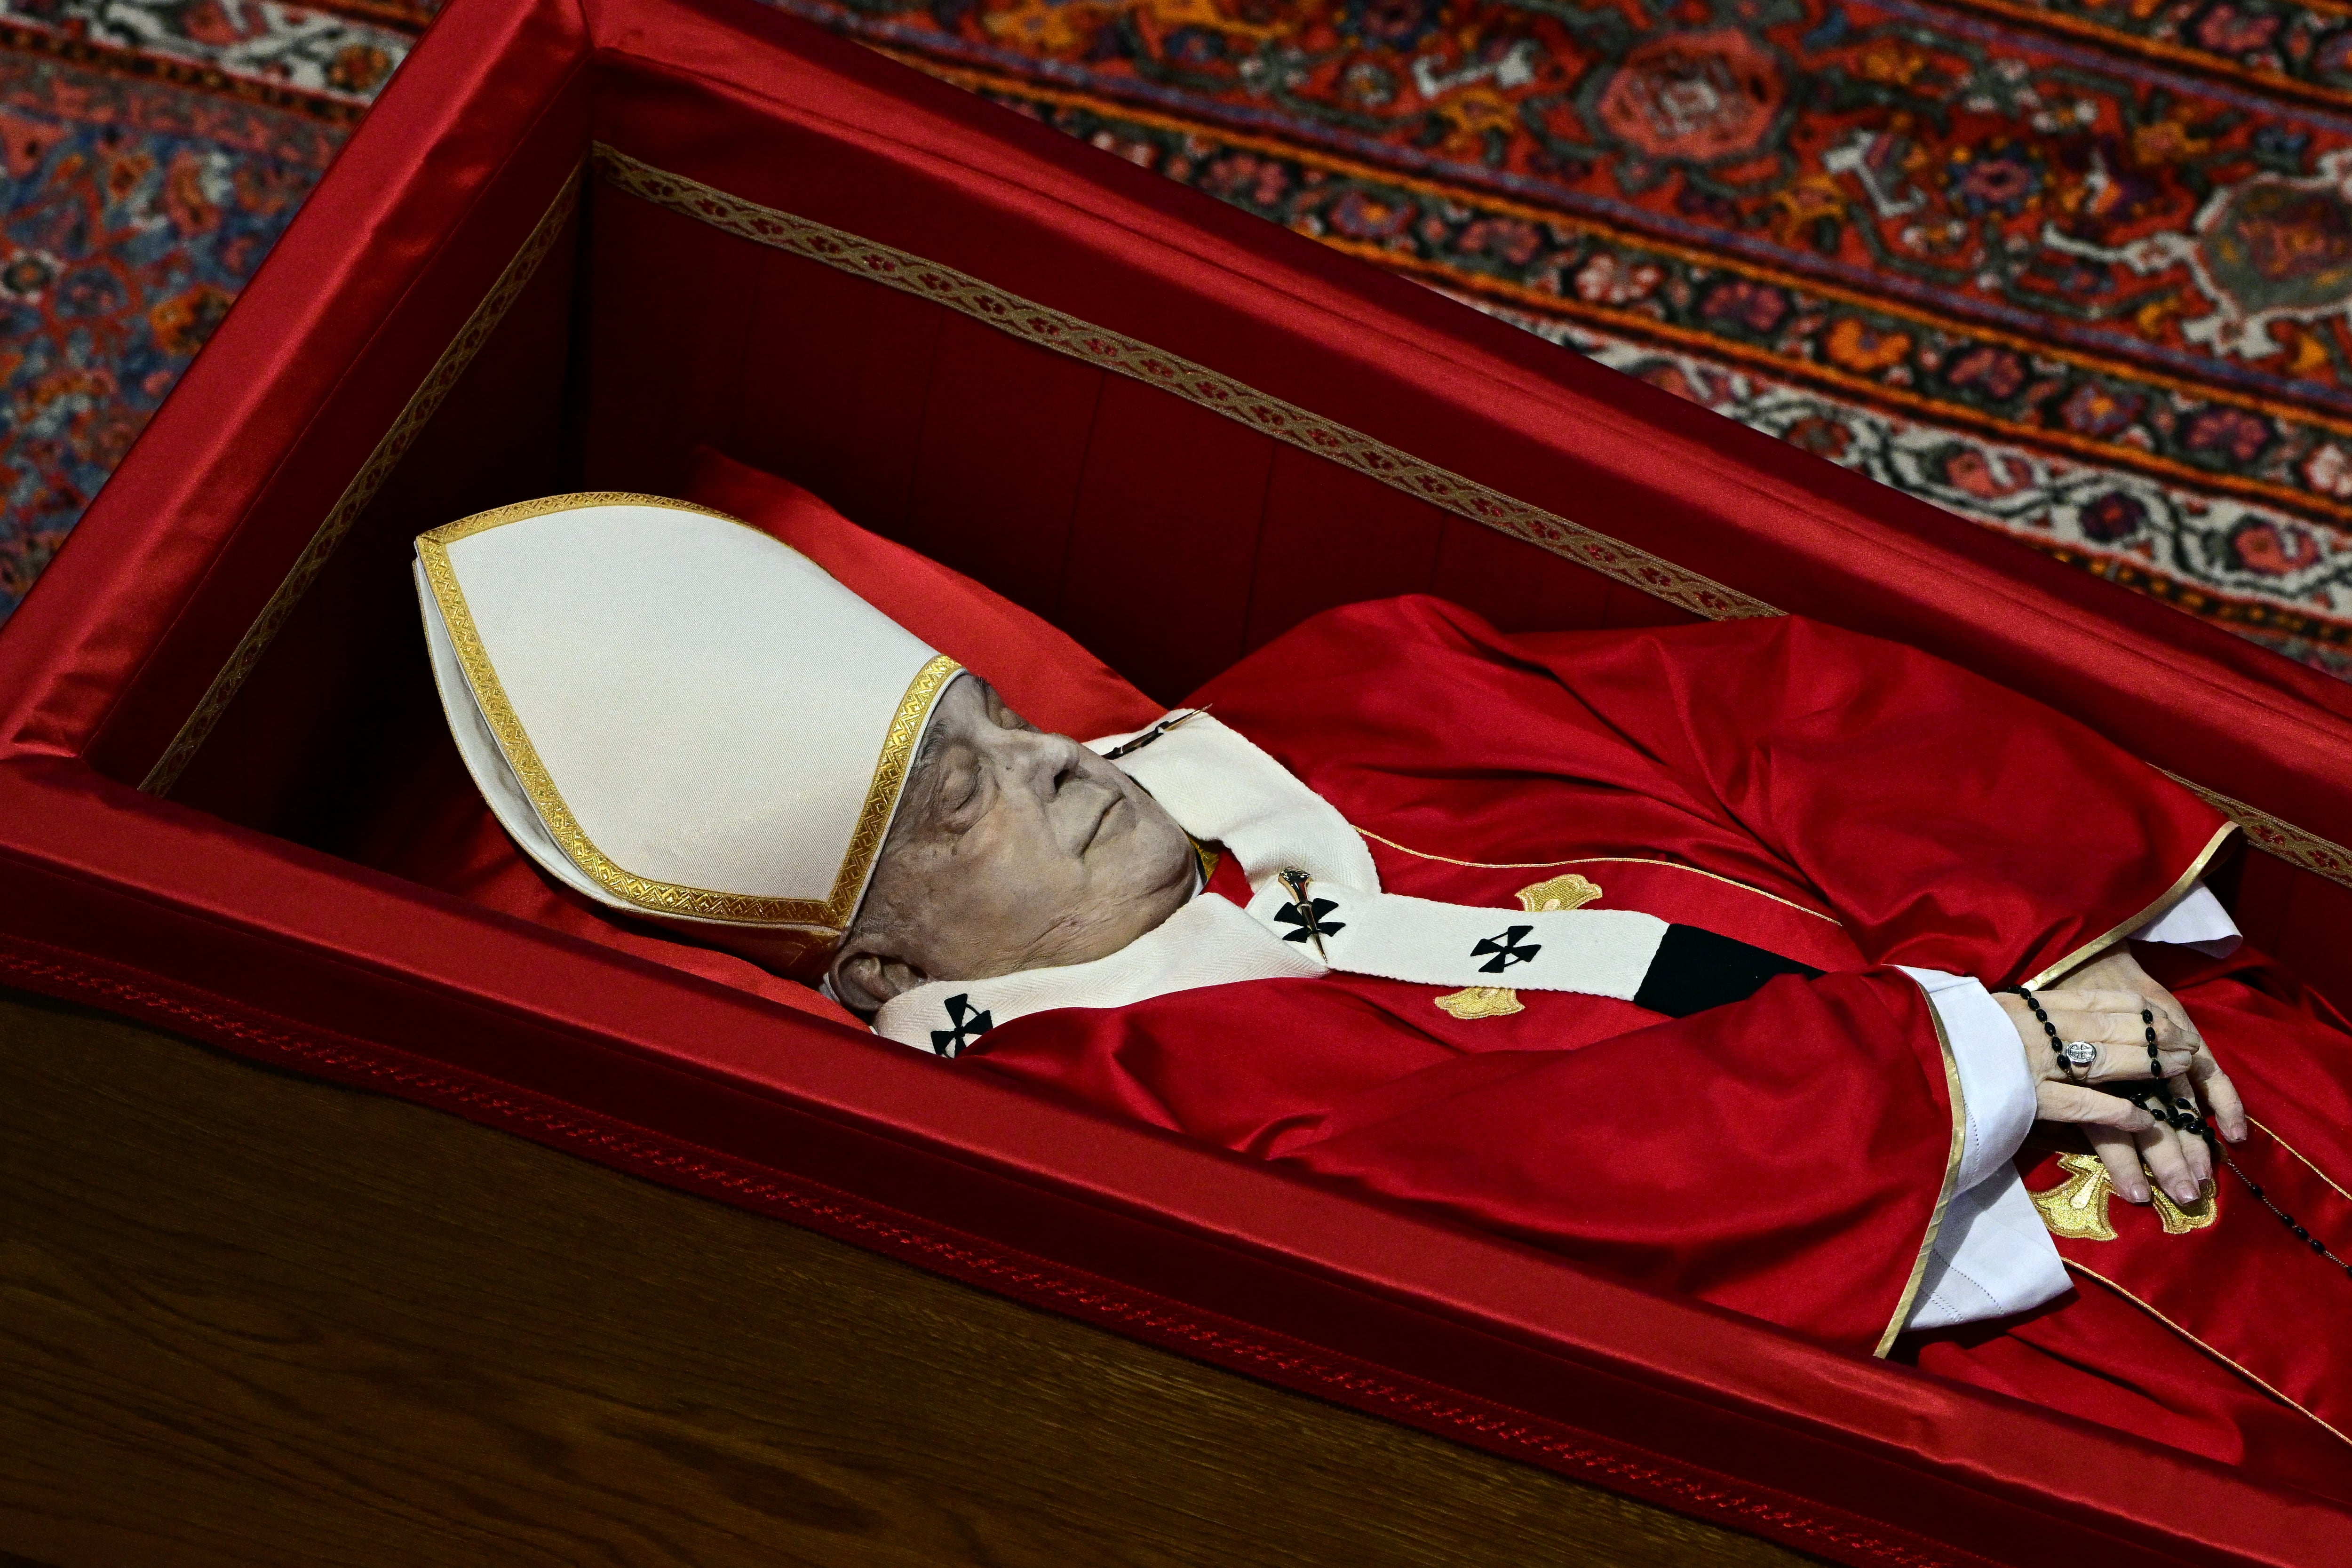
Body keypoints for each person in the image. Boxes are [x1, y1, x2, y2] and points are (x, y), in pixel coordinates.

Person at [415, 494, 2351, 1498]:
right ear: (880, 969)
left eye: (999, 722)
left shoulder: (1347, 687)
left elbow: (1770, 707)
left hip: (2203, 1077)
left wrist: (2059, 928)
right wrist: (1975, 1048)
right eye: (960, 796)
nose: (1058, 765)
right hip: (1985, 1351)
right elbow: (1513, 1205)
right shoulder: (1099, 1138)